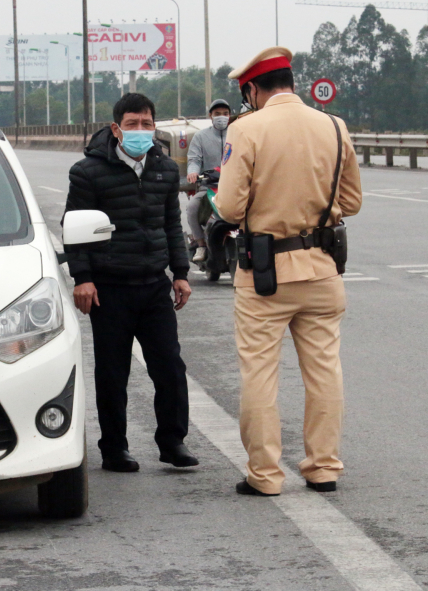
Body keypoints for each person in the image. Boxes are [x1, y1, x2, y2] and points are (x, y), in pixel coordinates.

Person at [214, 47, 362, 496]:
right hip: (322, 270)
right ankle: (323, 468)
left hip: (266, 276)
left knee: (260, 373)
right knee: (324, 371)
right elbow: (352, 203)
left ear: (253, 89)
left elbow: (229, 206)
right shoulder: (334, 127)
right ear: (292, 84)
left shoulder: (246, 128)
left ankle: (265, 476)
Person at [63, 93, 198, 473]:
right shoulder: (88, 172)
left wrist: (181, 274)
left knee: (169, 366)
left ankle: (173, 441)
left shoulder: (165, 169)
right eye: (133, 124)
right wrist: (83, 279)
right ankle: (114, 448)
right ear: (116, 128)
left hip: (154, 283)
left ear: (155, 127)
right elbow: (74, 230)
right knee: (112, 371)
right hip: (110, 287)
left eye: (147, 123)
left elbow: (172, 224)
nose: (141, 130)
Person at [186, 99, 231, 262]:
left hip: (235, 187)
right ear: (210, 116)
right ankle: (201, 245)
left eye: (225, 114)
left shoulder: (238, 134)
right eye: (217, 114)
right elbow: (194, 159)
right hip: (209, 188)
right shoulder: (200, 136)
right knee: (192, 208)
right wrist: (193, 173)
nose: (221, 117)